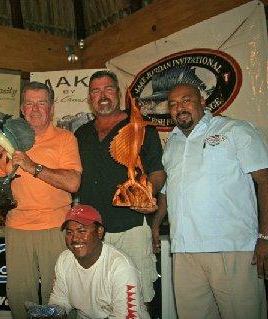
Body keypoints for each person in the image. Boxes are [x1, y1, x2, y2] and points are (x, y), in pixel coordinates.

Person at [151, 83, 268, 318]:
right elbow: (168, 190)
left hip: (231, 248)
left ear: (202, 102)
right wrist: (155, 224)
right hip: (184, 251)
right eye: (173, 104)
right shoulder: (171, 145)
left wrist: (265, 236)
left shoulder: (235, 130)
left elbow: (264, 180)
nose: (179, 108)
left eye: (186, 100)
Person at [0, 82, 82, 318]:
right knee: (20, 297)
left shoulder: (65, 139)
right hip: (17, 228)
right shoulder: (10, 140)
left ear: (51, 108)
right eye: (29, 103)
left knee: (60, 296)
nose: (35, 109)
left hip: (55, 228)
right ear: (22, 109)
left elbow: (73, 183)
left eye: (41, 103)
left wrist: (33, 167)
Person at [75, 70, 165, 303]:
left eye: (108, 89)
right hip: (92, 229)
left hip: (131, 226)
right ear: (89, 98)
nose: (102, 95)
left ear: (118, 93)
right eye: (95, 90)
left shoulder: (141, 127)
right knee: (97, 298)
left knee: (134, 297)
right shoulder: (81, 134)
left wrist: (147, 195)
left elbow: (157, 171)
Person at [49, 204, 150, 319]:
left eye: (81, 231)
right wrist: (50, 314)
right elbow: (60, 300)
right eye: (69, 232)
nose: (75, 238)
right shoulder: (64, 260)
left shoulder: (120, 266)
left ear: (100, 232)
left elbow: (125, 316)